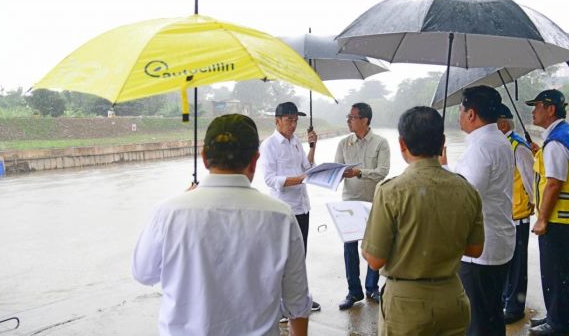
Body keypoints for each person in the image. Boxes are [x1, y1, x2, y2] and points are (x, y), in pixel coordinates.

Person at [131, 114, 311, 336]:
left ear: (205, 157)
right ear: (255, 160)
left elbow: (143, 273)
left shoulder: (168, 212)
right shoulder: (282, 217)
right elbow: (298, 303)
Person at [361, 106, 485, 335]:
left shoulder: (390, 191)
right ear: (442, 142)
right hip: (452, 299)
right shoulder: (467, 189)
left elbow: (375, 260)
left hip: (406, 306)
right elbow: (475, 249)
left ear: (402, 144)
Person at [442, 86, 515, 336]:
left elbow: (466, 200)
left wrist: (442, 172)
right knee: (492, 313)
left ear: (471, 114)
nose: (459, 116)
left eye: (461, 111)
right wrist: (447, 167)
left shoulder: (481, 148)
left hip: (481, 249)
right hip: (499, 239)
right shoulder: (498, 140)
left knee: (478, 321)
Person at [525, 90, 569, 335]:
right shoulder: (567, 133)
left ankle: (558, 323)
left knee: (555, 271)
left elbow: (554, 182)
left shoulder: (556, 142)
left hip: (559, 217)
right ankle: (557, 315)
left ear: (550, 109)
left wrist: (541, 219)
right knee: (562, 269)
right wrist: (538, 152)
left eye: (537, 105)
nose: (533, 110)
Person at [260, 101, 321, 313]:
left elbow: (307, 167)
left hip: (303, 207)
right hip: (284, 210)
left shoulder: (296, 142)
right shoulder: (268, 145)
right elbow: (270, 179)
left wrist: (312, 147)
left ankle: (299, 300)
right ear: (277, 121)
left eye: (296, 121)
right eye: (289, 120)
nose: (293, 125)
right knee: (282, 259)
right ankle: (280, 305)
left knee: (300, 256)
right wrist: (299, 179)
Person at [334, 102, 390, 310]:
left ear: (365, 120)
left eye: (352, 117)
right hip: (349, 201)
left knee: (373, 245)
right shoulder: (343, 143)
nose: (348, 120)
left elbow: (382, 171)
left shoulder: (380, 143)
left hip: (373, 201)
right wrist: (331, 175)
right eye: (348, 117)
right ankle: (353, 291)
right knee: (349, 247)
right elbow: (338, 171)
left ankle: (372, 287)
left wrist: (359, 172)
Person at [497, 103, 535, 325]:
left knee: (518, 264)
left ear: (502, 124)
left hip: (519, 214)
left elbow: (531, 181)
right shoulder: (504, 144)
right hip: (507, 213)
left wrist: (536, 208)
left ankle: (514, 307)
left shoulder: (518, 146)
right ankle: (506, 299)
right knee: (508, 262)